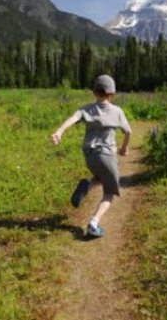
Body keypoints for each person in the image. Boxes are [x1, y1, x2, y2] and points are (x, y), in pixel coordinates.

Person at [51, 75, 132, 237]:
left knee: (101, 177)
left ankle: (87, 186)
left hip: (90, 156)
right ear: (112, 94)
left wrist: (59, 131)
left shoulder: (86, 109)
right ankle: (94, 224)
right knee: (109, 193)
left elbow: (73, 119)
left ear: (94, 92)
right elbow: (128, 131)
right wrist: (124, 148)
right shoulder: (117, 111)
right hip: (107, 156)